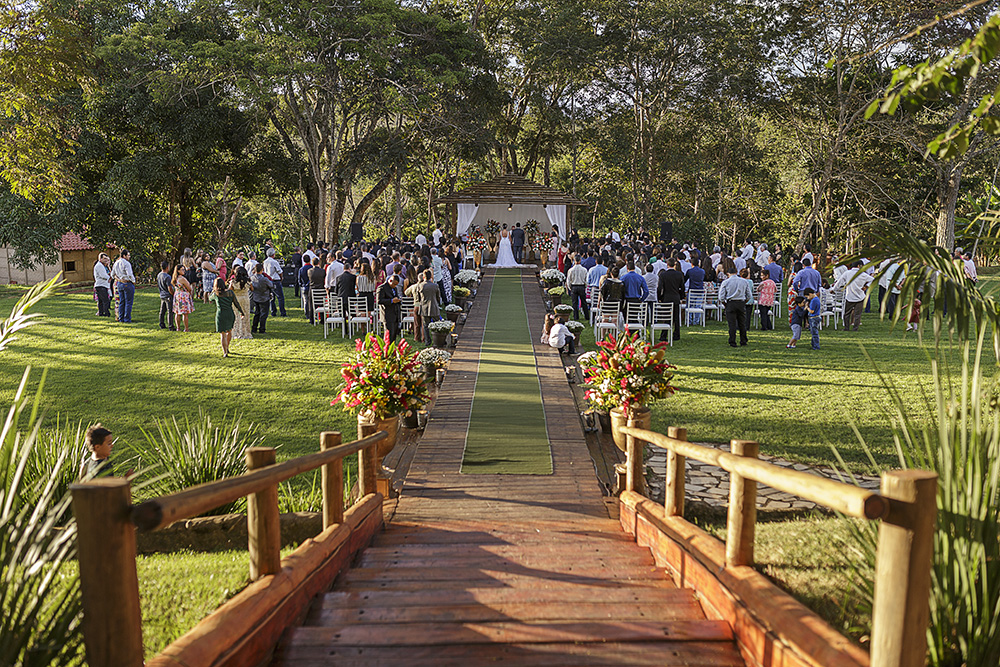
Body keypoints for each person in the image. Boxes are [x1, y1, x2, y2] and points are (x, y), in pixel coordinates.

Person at [833, 260, 873, 331]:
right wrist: (866, 286)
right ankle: (855, 328)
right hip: (860, 296)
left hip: (849, 296)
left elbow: (839, 282)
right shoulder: (862, 274)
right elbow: (873, 279)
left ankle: (846, 327)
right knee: (857, 314)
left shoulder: (847, 273)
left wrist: (834, 289)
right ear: (859, 266)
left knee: (846, 313)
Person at [209, 277, 244, 357]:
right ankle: (227, 347)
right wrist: (241, 312)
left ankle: (225, 352)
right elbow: (236, 303)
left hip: (221, 314)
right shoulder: (230, 293)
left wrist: (213, 290)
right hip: (230, 313)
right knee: (229, 331)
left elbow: (209, 298)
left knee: (223, 334)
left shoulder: (216, 294)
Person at [719, 269, 752, 347]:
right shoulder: (744, 281)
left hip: (730, 303)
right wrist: (744, 302)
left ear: (728, 274)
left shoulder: (726, 282)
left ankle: (732, 341)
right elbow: (749, 295)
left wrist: (725, 303)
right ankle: (743, 340)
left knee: (732, 324)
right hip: (741, 302)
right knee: (742, 323)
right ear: (736, 273)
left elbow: (721, 297)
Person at [656, 258, 684, 342]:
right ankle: (676, 334)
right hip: (676, 297)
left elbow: (660, 288)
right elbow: (682, 287)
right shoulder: (679, 274)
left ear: (667, 265)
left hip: (666, 298)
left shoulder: (663, 275)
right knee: (676, 317)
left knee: (666, 317)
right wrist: (681, 297)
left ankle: (664, 335)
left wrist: (659, 298)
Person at [417, 269, 441, 345]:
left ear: (423, 277)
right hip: (434, 306)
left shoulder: (420, 286)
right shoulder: (435, 286)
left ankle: (427, 341)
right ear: (431, 277)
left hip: (424, 307)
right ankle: (438, 339)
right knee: (437, 324)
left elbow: (418, 298)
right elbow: (438, 297)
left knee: (425, 326)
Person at [111, 250, 136, 323]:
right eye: (128, 255)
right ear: (124, 256)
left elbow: (112, 274)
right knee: (128, 302)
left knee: (122, 301)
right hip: (127, 283)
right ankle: (127, 319)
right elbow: (129, 274)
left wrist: (118, 278)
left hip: (119, 283)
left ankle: (121, 318)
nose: (129, 257)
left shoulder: (116, 263)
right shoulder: (126, 263)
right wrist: (133, 281)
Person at [378, 274, 403, 343]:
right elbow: (379, 300)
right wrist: (391, 301)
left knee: (394, 334)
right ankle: (386, 347)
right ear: (390, 280)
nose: (395, 286)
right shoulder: (382, 288)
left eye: (396, 285)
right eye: (394, 284)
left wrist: (398, 300)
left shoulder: (394, 288)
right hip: (387, 314)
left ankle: (393, 347)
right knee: (388, 335)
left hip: (395, 313)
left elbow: (396, 296)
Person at [249, 263, 274, 335]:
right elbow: (271, 285)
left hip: (256, 297)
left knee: (257, 313)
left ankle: (254, 328)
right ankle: (262, 329)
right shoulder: (264, 279)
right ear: (262, 270)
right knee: (263, 314)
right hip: (264, 297)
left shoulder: (252, 278)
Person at [230, 266, 253, 340]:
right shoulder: (248, 281)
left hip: (236, 299)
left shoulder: (234, 282)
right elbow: (252, 289)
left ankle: (237, 332)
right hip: (245, 299)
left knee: (236, 315)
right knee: (245, 315)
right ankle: (245, 332)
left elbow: (230, 289)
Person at [172, 265, 195, 331]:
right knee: (185, 313)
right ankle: (186, 328)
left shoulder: (175, 278)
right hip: (183, 296)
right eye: (182, 269)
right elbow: (189, 288)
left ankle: (178, 328)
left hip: (177, 295)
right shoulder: (182, 279)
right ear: (178, 271)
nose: (184, 271)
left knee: (177, 312)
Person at [157, 261, 176, 330]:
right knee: (170, 311)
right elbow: (169, 288)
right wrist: (173, 294)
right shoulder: (167, 277)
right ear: (167, 267)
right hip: (168, 295)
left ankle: (161, 324)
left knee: (162, 311)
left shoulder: (159, 275)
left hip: (162, 295)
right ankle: (171, 326)